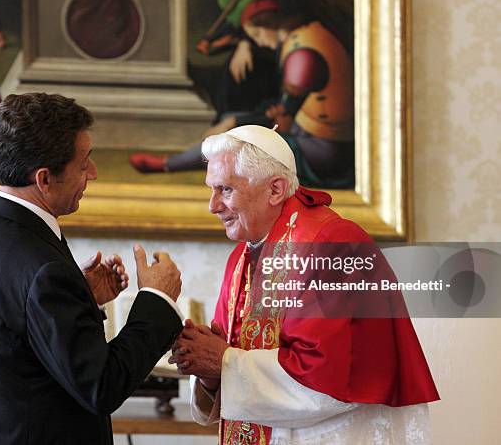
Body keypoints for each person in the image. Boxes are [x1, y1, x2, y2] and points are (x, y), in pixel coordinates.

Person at [169, 125, 440, 444]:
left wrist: (224, 361)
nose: (213, 206)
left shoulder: (333, 243)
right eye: (211, 190)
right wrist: (208, 371)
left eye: (226, 190)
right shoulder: (243, 254)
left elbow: (322, 380)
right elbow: (229, 356)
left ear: (275, 189)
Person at [0, 93, 184, 444]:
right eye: (84, 164)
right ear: (44, 179)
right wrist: (157, 299)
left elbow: (16, 336)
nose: (94, 173)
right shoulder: (44, 269)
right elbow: (103, 386)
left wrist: (81, 297)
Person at [130, 0, 354, 188]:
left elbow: (283, 118)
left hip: (323, 151)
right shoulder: (306, 35)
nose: (257, 41)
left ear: (270, 24)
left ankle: (168, 164)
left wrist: (233, 122)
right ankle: (174, 162)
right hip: (308, 132)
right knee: (235, 123)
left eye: (256, 33)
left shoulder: (302, 54)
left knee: (235, 140)